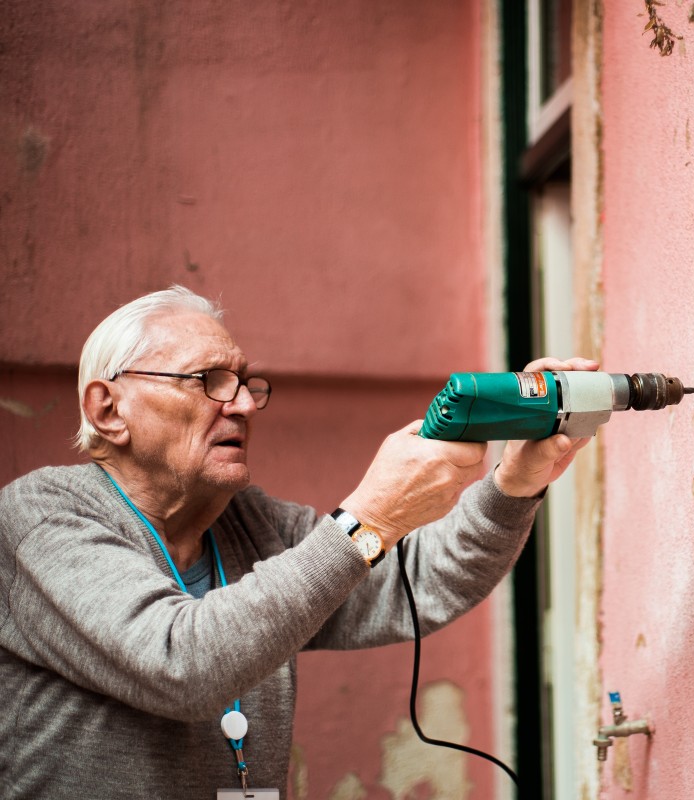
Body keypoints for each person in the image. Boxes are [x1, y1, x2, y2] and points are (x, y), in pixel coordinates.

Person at [0, 286, 595, 798]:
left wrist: (516, 482)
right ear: (108, 409)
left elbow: (420, 583)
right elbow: (180, 664)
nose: (240, 405)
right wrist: (370, 516)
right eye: (208, 381)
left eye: (243, 383)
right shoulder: (43, 516)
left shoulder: (249, 522)